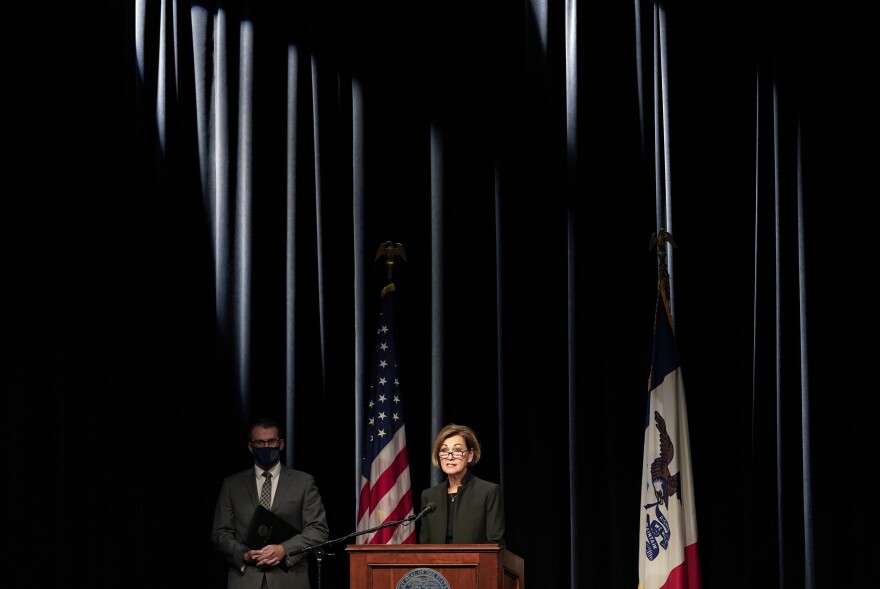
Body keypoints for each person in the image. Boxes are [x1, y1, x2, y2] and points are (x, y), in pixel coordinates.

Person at [211, 417, 330, 589]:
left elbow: (318, 530)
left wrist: (283, 549)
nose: (266, 447)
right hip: (245, 580)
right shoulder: (232, 485)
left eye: (271, 441)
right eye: (260, 442)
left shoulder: (303, 482)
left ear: (281, 444)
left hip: (290, 580)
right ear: (250, 447)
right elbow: (220, 533)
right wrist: (244, 554)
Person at [418, 423, 505, 545]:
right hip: (436, 564)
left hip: (475, 563)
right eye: (444, 450)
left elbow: (495, 543)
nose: (450, 457)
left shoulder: (488, 492)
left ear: (470, 455)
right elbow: (424, 544)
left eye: (457, 450)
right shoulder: (429, 496)